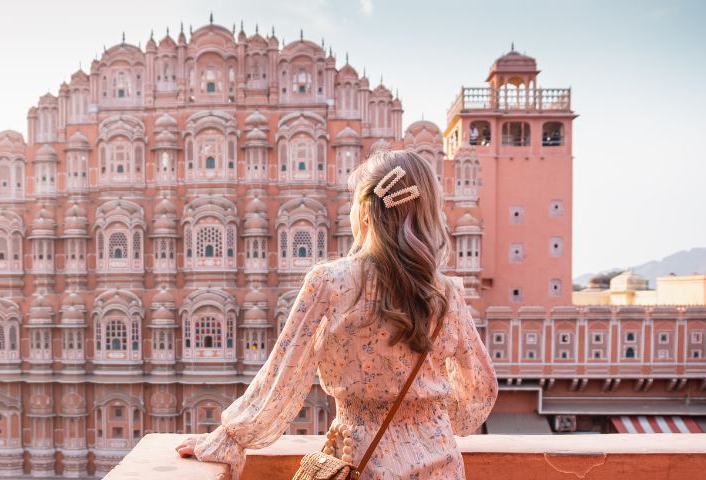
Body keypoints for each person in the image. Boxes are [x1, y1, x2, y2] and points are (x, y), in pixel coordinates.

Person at [175, 150, 498, 479]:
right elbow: (482, 389)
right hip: (440, 464)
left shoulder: (330, 283)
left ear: (366, 211)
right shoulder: (447, 294)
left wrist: (228, 438)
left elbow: (283, 374)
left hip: (361, 462)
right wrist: (433, 417)